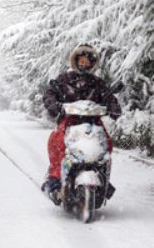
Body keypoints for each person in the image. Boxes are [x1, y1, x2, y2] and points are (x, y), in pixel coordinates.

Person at [41, 44, 121, 197]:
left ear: (92, 63)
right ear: (75, 60)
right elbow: (50, 94)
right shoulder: (64, 79)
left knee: (106, 144)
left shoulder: (97, 82)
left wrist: (113, 107)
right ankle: (55, 177)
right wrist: (54, 105)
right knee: (56, 143)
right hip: (69, 121)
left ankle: (103, 176)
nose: (84, 64)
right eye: (82, 60)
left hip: (93, 122)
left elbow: (109, 97)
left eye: (88, 61)